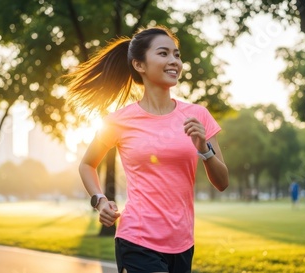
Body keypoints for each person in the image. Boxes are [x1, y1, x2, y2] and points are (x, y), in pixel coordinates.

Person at [66, 26, 229, 273]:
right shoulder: (119, 121)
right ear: (139, 65)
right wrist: (99, 201)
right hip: (137, 239)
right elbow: (87, 164)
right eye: (163, 54)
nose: (174, 61)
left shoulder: (198, 116)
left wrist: (204, 149)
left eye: (177, 54)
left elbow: (222, 182)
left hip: (183, 242)